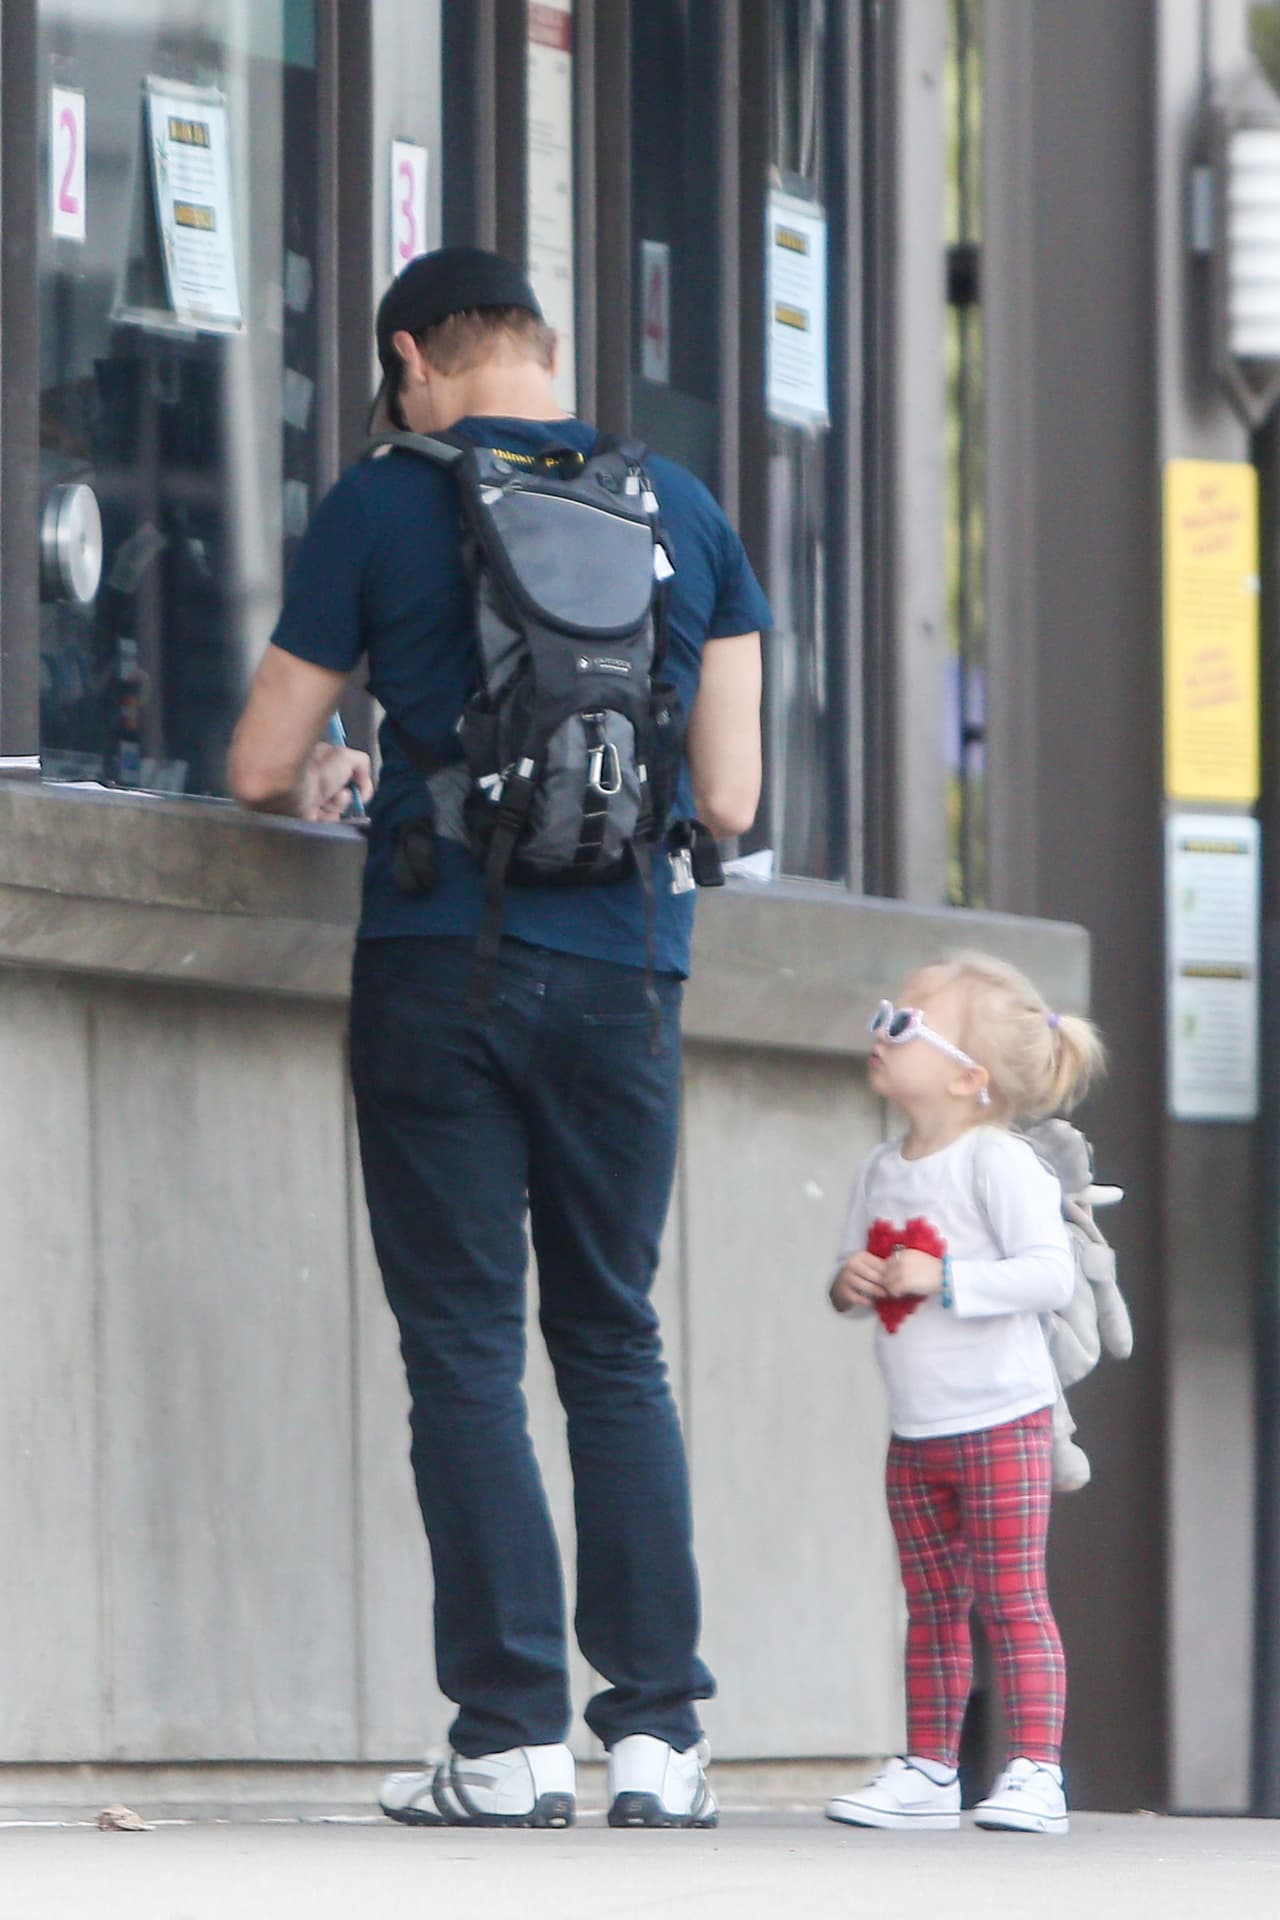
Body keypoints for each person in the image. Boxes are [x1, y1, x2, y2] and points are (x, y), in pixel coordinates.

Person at [228, 246, 769, 1830]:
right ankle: (659, 1742)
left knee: (465, 1350)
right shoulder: (687, 508)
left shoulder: (385, 501)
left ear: (411, 356)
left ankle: (510, 1736)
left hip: (436, 969)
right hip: (627, 979)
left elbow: (263, 761)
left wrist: (346, 769)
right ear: (541, 348)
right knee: (613, 1343)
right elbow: (729, 802)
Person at [824, 952, 1106, 1837]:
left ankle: (1033, 1769)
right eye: (882, 1012)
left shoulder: (998, 1163)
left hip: (1002, 1420)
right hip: (917, 1431)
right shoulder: (882, 1167)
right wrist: (853, 1281)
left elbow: (1049, 1277)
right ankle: (930, 1767)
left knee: (1012, 1598)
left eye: (903, 1023)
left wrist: (946, 1280)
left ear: (970, 1078)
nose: (880, 1031)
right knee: (933, 1605)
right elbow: (846, 1276)